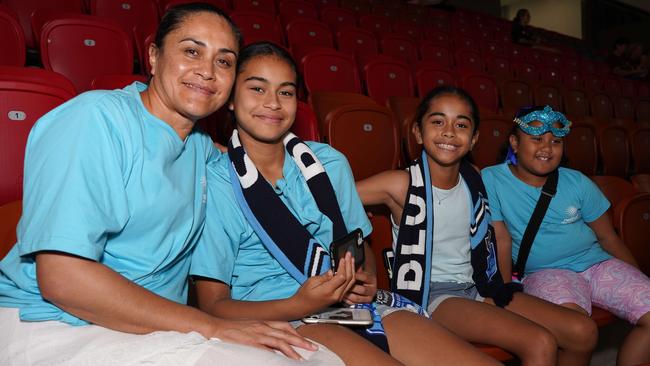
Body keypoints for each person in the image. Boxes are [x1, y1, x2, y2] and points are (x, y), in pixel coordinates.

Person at [0, 4, 331, 365]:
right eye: (192, 51)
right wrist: (211, 326)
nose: (207, 71)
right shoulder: (93, 120)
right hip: (55, 323)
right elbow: (63, 279)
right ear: (154, 57)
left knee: (313, 358)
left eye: (224, 61)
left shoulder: (200, 148)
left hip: (154, 327)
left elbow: (266, 182)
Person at [190, 42, 499, 366]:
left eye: (286, 92)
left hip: (348, 307)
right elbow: (213, 306)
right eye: (257, 88)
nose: (272, 103)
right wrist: (299, 303)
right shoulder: (217, 183)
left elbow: (358, 249)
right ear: (230, 97)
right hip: (280, 315)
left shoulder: (329, 163)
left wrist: (364, 279)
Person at [356, 87, 598, 366]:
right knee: (540, 341)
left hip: (481, 283)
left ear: (473, 139)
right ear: (418, 133)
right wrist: (362, 245)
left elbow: (497, 235)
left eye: (461, 124)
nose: (449, 131)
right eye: (437, 122)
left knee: (582, 331)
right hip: (432, 294)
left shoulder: (475, 177)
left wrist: (502, 283)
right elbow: (330, 200)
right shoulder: (400, 184)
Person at [482, 105, 650, 366]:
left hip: (597, 264)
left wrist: (637, 281)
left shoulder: (577, 181)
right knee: (577, 330)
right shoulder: (491, 178)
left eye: (556, 141)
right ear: (515, 143)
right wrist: (507, 295)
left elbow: (608, 238)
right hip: (546, 272)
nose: (547, 148)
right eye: (536, 139)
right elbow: (500, 239)